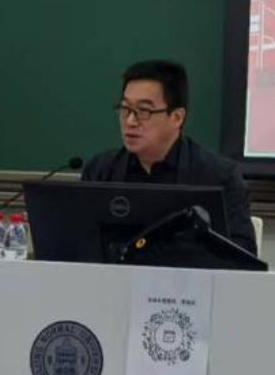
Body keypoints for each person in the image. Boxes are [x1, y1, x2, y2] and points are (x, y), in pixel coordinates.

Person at [80, 59, 257, 254]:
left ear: (177, 117)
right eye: (125, 109)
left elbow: (244, 255)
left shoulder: (220, 177)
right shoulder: (100, 171)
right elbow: (78, 244)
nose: (130, 121)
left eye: (143, 111)